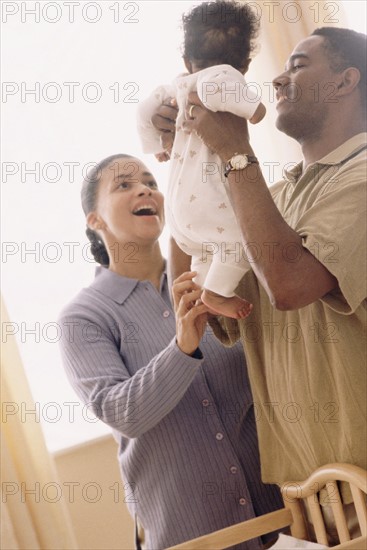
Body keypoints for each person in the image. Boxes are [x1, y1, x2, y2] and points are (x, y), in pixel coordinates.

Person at [154, 26, 367, 537]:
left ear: (346, 81)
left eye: (297, 64)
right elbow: (188, 285)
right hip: (308, 501)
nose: (276, 76)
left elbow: (289, 283)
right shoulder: (270, 198)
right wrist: (184, 155)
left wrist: (234, 152)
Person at [57, 153, 283, 550]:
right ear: (94, 219)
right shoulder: (84, 317)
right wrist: (182, 347)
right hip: (191, 533)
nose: (145, 188)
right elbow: (120, 412)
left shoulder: (217, 278)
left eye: (150, 181)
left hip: (285, 517)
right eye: (123, 185)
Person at [136, 0, 266, 320]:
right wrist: (257, 110)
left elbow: (143, 111)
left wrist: (155, 146)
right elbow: (221, 92)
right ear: (245, 64)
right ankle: (217, 293)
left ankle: (203, 294)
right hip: (207, 202)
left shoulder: (177, 86)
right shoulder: (223, 77)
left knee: (210, 251)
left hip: (181, 209)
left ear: (186, 59)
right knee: (240, 240)